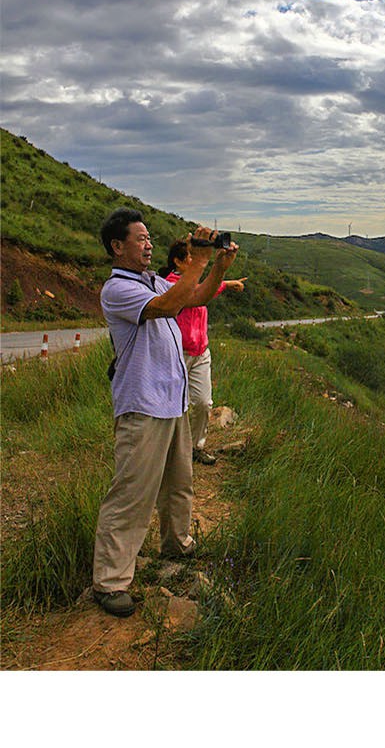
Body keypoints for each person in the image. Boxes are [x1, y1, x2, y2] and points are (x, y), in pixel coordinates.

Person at [90, 207, 237, 618]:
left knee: (179, 482)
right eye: (140, 238)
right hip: (142, 405)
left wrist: (218, 265)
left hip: (171, 401)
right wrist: (199, 259)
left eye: (149, 237)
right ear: (117, 247)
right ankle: (111, 581)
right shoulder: (118, 290)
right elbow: (170, 305)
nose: (149, 244)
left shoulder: (151, 280)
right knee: (132, 494)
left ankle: (178, 543)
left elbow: (197, 297)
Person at [160, 236, 246, 465]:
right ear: (178, 262)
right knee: (176, 404)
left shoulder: (196, 283)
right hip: (177, 354)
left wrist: (223, 276)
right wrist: (224, 280)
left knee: (203, 403)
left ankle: (196, 447)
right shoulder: (168, 284)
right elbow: (195, 293)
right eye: (192, 257)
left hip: (200, 352)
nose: (198, 261)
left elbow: (204, 289)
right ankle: (170, 451)